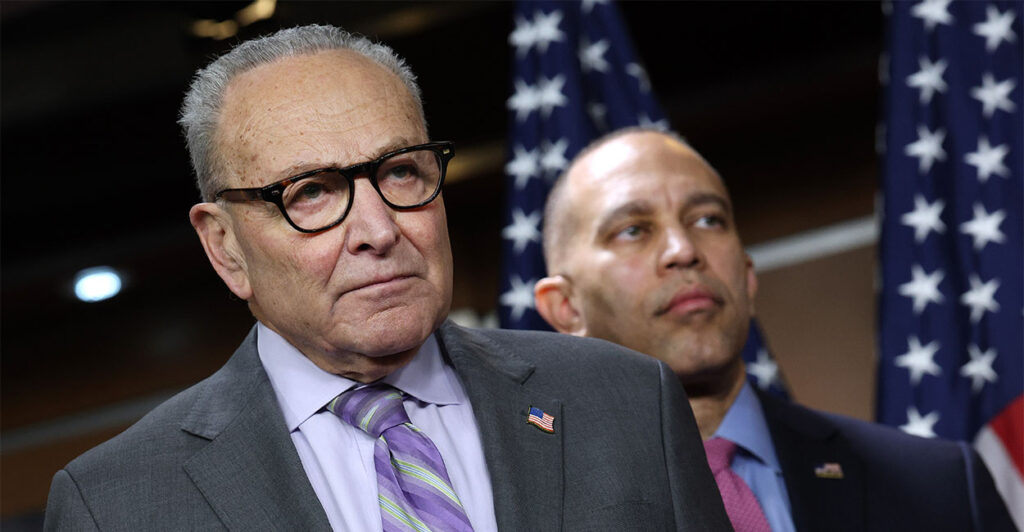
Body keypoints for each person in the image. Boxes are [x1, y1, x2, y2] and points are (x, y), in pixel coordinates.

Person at [42, 26, 731, 531]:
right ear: (224, 248)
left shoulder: (626, 401)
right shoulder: (118, 505)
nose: (378, 229)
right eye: (310, 192)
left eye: (401, 172)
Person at [534, 128, 1016, 532]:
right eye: (633, 230)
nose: (683, 250)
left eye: (708, 219)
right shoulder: (523, 511)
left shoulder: (941, 486)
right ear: (565, 307)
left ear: (746, 275)